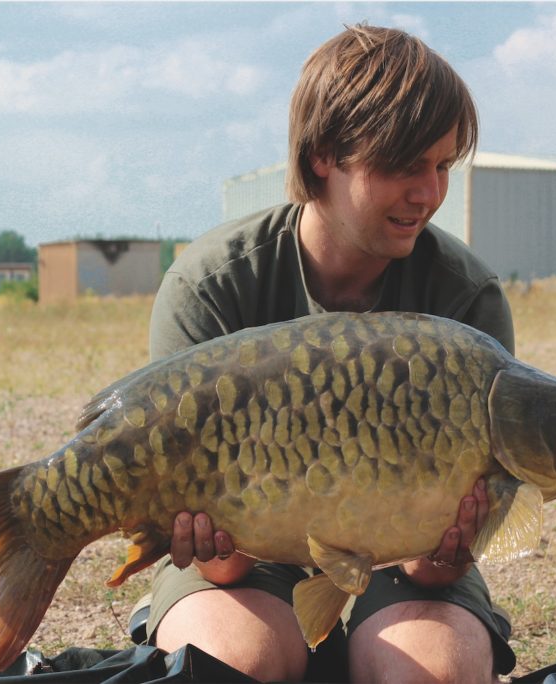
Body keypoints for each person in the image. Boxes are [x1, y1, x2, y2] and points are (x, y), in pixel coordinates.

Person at [131, 23, 517, 683]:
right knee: (235, 662)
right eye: (403, 166)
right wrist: (212, 550)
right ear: (323, 158)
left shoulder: (465, 299)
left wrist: (447, 551)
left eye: (443, 165)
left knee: (432, 674)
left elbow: (436, 566)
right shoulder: (213, 285)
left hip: (404, 565)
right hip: (248, 563)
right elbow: (216, 560)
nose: (428, 193)